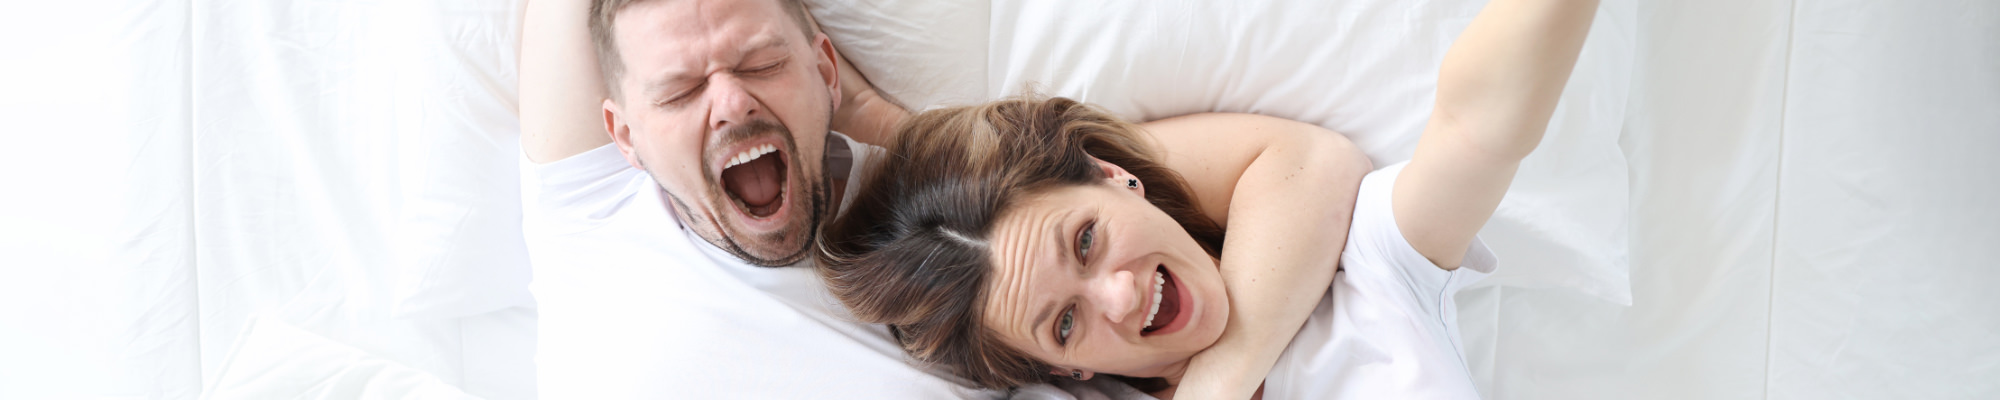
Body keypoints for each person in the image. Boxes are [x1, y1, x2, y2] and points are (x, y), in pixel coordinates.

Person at [816, 0, 1600, 398]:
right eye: (1065, 323)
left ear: (1115, 176)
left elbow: (1477, 127)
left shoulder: (1361, 288)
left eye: (1086, 241)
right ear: (1066, 372)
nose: (1119, 297)